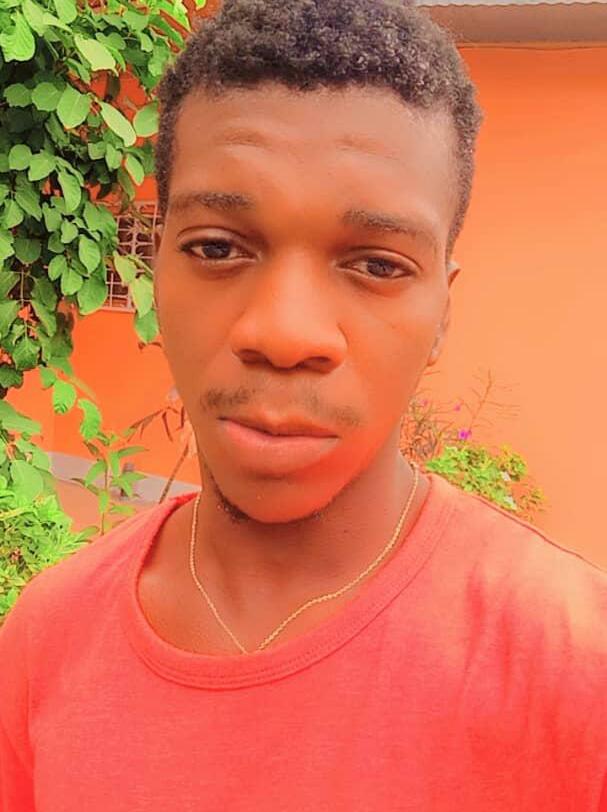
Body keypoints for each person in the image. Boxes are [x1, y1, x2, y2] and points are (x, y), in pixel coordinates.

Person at [1, 0, 606, 809]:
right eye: (217, 248)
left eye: (377, 265)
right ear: (155, 271)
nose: (284, 334)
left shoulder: (577, 667)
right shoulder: (46, 639)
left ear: (442, 314)